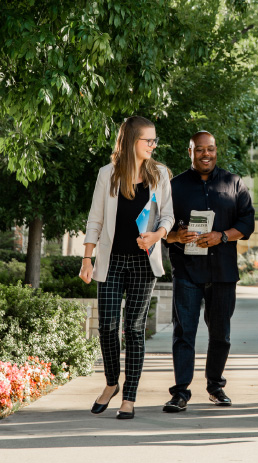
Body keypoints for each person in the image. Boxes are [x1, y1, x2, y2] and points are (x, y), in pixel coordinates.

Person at [80, 115, 174, 420]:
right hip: (111, 260)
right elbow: (95, 219)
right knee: (106, 326)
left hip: (143, 262)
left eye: (154, 140)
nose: (152, 145)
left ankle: (129, 396)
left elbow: (168, 218)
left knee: (133, 329)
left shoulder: (159, 175)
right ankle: (111, 383)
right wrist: (86, 257)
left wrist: (157, 235)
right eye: (148, 139)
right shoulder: (107, 174)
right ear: (131, 140)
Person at [162, 131, 255, 413]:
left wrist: (222, 236)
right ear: (189, 151)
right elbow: (159, 228)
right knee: (184, 333)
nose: (206, 154)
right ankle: (180, 392)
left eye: (211, 149)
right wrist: (177, 236)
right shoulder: (173, 186)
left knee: (220, 335)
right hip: (187, 270)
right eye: (200, 149)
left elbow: (247, 222)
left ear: (216, 151)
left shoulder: (233, 183)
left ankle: (215, 386)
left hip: (223, 272)